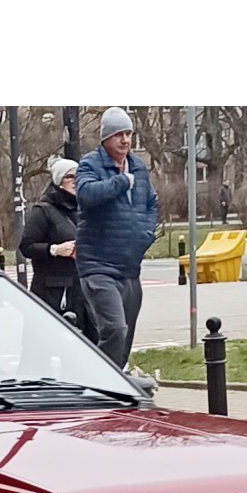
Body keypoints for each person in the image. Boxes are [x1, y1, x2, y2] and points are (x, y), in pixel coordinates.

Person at [75, 107, 158, 372]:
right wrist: (121, 182)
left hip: (129, 268)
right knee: (115, 329)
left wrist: (146, 233)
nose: (125, 140)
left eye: (128, 133)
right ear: (105, 139)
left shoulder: (138, 166)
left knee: (126, 338)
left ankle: (115, 384)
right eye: (118, 134)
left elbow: (151, 203)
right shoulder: (91, 164)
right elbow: (86, 194)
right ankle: (97, 379)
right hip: (98, 267)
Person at [18, 157, 94, 340]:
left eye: (80, 176)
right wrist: (55, 249)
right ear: (59, 180)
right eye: (70, 177)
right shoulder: (43, 210)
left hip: (83, 289)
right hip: (51, 292)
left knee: (87, 346)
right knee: (44, 344)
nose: (76, 181)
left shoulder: (84, 209)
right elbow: (26, 246)